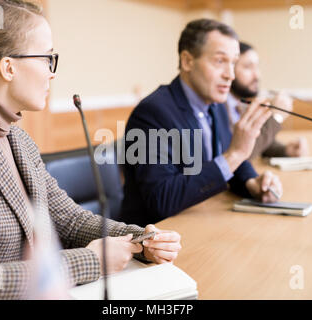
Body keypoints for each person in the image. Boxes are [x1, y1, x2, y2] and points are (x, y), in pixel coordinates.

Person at [0, 0, 181, 300]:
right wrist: (93, 260)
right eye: (47, 58)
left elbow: (69, 220)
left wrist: (142, 239)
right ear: (8, 67)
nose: (52, 72)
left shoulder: (18, 140)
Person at [119, 19, 283, 226]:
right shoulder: (152, 113)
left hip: (202, 222)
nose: (230, 75)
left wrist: (252, 182)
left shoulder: (216, 105)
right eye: (220, 61)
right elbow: (161, 199)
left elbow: (227, 162)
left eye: (233, 63)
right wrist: (235, 155)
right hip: (153, 240)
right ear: (187, 61)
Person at [228, 41, 309, 159]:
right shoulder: (218, 106)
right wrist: (276, 117)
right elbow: (241, 155)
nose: (257, 75)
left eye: (257, 67)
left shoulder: (243, 104)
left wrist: (285, 150)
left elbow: (254, 142)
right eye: (248, 67)